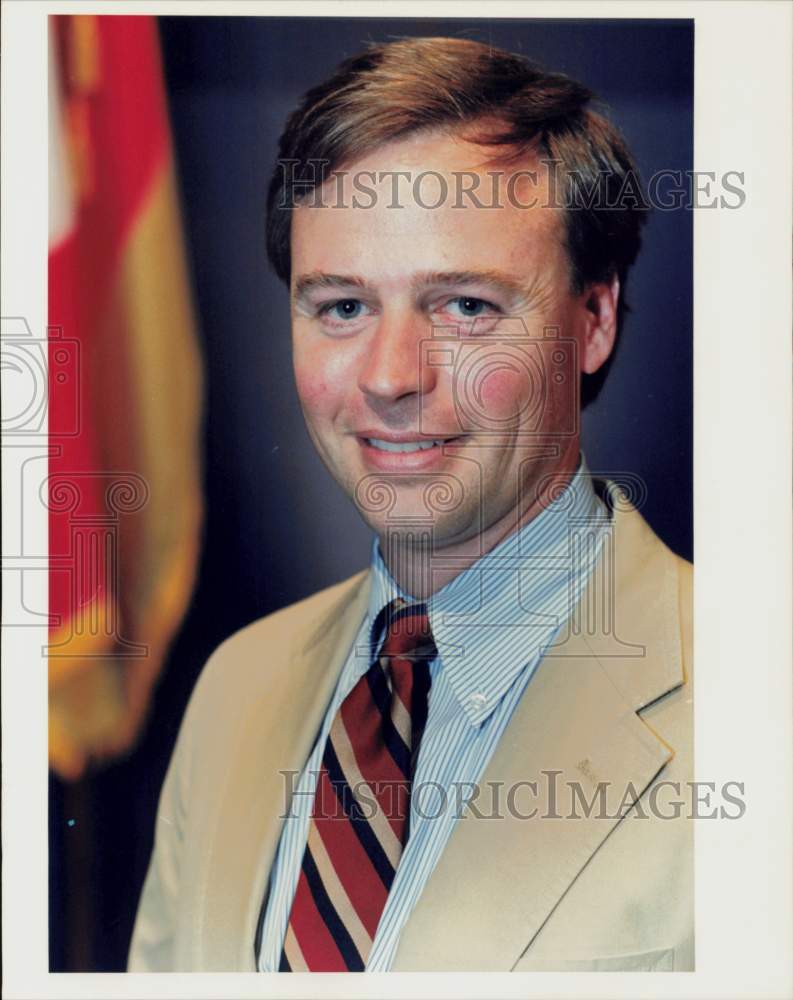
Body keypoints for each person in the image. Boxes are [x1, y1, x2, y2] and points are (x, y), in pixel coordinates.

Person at [128, 36, 693, 973]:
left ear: (591, 320)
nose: (391, 378)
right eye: (342, 306)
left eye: (466, 306)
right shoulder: (235, 685)